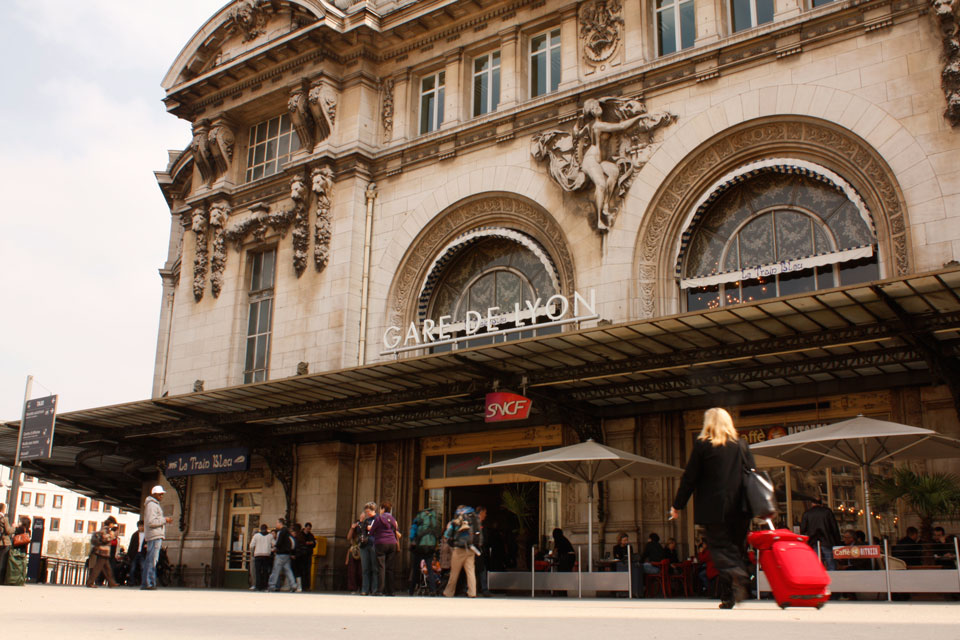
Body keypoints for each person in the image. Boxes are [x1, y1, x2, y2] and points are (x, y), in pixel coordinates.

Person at [670, 407, 753, 609]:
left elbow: (690, 478)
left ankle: (732, 587)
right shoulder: (742, 445)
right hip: (741, 507)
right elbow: (751, 474)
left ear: (708, 424)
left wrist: (677, 505)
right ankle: (735, 586)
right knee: (738, 548)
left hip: (714, 508)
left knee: (720, 550)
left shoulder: (702, 446)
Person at [443, 505, 480, 598]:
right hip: (470, 548)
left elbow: (447, 534)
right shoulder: (473, 520)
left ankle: (449, 592)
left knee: (454, 572)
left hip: (458, 549)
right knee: (470, 571)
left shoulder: (456, 521)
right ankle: (472, 592)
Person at [142, 485, 172, 590]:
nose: (161, 496)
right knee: (152, 560)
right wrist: (165, 520)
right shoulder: (152, 505)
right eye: (160, 494)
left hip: (153, 535)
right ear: (153, 494)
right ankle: (149, 583)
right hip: (154, 535)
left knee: (150, 559)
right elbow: (151, 522)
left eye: (162, 494)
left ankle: (147, 583)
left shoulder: (152, 505)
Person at [800, 496, 841, 570]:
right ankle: (833, 579)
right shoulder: (827, 512)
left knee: (817, 564)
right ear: (821, 503)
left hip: (813, 541)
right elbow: (834, 528)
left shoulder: (807, 513)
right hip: (827, 541)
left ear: (812, 503)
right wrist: (837, 541)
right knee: (830, 563)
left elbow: (803, 529)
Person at [408, 505, 440, 596]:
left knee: (415, 569)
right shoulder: (433, 518)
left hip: (420, 546)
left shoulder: (419, 517)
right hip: (431, 546)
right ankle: (433, 589)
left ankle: (411, 590)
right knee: (429, 568)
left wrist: (412, 540)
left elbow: (413, 530)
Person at [369, 500, 400, 596]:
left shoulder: (379, 519)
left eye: (380, 509)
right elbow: (396, 530)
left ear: (383, 509)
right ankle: (390, 590)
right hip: (392, 543)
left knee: (381, 567)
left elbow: (372, 531)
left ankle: (380, 590)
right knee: (390, 568)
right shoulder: (393, 520)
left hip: (381, 543)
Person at [354, 502, 379, 595]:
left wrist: (372, 528)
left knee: (374, 568)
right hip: (364, 545)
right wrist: (361, 521)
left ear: (373, 510)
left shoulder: (378, 519)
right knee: (365, 568)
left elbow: (382, 530)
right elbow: (359, 531)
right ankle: (365, 589)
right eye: (366, 511)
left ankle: (374, 589)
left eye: (368, 511)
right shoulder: (366, 520)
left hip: (374, 544)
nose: (367, 513)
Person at [87, 516, 119, 588]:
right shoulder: (106, 529)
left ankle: (111, 582)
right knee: (97, 568)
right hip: (103, 551)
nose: (113, 525)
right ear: (110, 523)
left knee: (107, 568)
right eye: (113, 524)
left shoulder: (104, 529)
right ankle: (90, 582)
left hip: (104, 551)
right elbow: (105, 539)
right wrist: (112, 536)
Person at [268, 517, 297, 592]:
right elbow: (292, 541)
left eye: (277, 523)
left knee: (276, 569)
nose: (276, 524)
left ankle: (272, 585)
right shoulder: (288, 532)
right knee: (288, 570)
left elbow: (279, 542)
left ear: (280, 523)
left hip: (280, 553)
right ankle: (293, 585)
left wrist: (275, 548)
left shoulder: (281, 532)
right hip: (287, 554)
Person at [5, 515, 31, 586]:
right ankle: (20, 581)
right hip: (24, 550)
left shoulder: (19, 529)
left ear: (22, 523)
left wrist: (14, 526)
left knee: (13, 566)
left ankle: (12, 580)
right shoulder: (28, 531)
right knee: (22, 566)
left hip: (16, 549)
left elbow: (12, 533)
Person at [249, 523, 274, 591]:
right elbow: (274, 544)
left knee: (258, 571)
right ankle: (265, 586)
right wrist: (270, 550)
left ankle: (258, 586)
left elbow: (251, 545)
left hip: (258, 555)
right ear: (266, 529)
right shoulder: (270, 536)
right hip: (266, 555)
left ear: (260, 529)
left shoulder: (256, 536)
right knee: (265, 571)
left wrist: (253, 552)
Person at [474, 506, 491, 597]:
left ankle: (476, 589)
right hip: (477, 550)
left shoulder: (478, 523)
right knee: (480, 570)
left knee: (478, 570)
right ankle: (483, 589)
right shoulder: (476, 524)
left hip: (478, 550)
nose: (486, 515)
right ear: (481, 513)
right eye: (485, 513)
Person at [295, 522, 316, 591]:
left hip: (308, 554)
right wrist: (309, 543)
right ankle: (301, 585)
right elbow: (302, 542)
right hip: (301, 555)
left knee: (307, 570)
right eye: (307, 528)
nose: (308, 530)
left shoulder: (311, 535)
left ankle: (307, 586)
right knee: (301, 570)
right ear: (305, 527)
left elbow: (314, 543)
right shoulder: (300, 534)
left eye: (309, 529)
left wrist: (309, 543)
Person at [126, 521, 145, 586]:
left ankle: (143, 582)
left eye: (142, 526)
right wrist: (129, 554)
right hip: (135, 553)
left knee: (143, 567)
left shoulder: (147, 535)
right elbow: (131, 545)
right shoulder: (135, 534)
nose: (141, 527)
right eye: (140, 526)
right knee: (132, 568)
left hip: (142, 553)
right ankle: (132, 581)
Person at [0, 503, 10, 585]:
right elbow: (8, 531)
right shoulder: (4, 518)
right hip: (3, 543)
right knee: (2, 562)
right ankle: (1, 580)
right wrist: (14, 527)